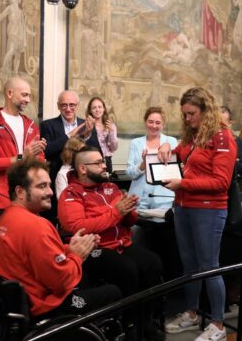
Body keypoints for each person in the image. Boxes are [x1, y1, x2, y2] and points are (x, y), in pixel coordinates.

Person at [0, 157, 121, 319]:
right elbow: (62, 281)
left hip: (19, 303)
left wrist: (69, 249)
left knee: (84, 278)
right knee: (113, 291)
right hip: (43, 308)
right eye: (42, 186)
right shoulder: (35, 226)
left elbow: (41, 256)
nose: (50, 192)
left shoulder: (7, 216)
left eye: (49, 185)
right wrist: (77, 256)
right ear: (20, 192)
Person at [58, 146, 165, 341]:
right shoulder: (71, 193)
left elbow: (129, 222)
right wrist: (116, 212)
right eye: (98, 163)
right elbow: (78, 227)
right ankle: (129, 324)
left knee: (153, 262)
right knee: (127, 269)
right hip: (95, 248)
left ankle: (146, 318)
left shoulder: (111, 187)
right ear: (83, 168)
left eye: (103, 162)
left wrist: (129, 209)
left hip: (122, 243)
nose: (103, 166)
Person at [158, 87, 236, 341]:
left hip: (208, 210)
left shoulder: (222, 137)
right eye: (184, 114)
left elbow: (220, 182)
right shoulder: (193, 135)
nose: (187, 119)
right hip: (183, 207)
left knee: (209, 267)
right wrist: (168, 147)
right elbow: (181, 153)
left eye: (191, 114)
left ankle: (218, 324)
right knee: (189, 266)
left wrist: (184, 184)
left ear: (206, 111)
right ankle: (191, 313)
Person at [0, 77, 45, 223]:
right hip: (1, 198)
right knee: (5, 244)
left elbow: (40, 161)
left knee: (28, 243)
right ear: (9, 94)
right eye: (24, 95)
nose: (28, 100)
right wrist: (21, 157)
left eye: (29, 96)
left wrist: (38, 158)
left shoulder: (31, 125)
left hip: (29, 197)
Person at [40, 90, 101, 222]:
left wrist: (88, 135)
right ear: (58, 106)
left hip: (83, 183)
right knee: (58, 220)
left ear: (77, 106)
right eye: (64, 105)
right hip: (57, 179)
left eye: (72, 105)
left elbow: (97, 153)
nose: (68, 109)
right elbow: (46, 151)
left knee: (80, 219)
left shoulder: (87, 124)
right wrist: (70, 135)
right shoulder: (48, 125)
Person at [126, 107, 178, 209]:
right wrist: (143, 164)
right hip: (138, 198)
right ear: (145, 122)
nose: (154, 126)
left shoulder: (171, 142)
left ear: (163, 125)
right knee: (136, 225)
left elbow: (175, 172)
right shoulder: (135, 143)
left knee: (161, 224)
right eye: (150, 122)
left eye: (158, 123)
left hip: (163, 197)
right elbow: (129, 173)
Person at [86, 96, 119, 174]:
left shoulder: (111, 125)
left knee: (106, 185)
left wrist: (111, 131)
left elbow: (113, 148)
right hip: (91, 161)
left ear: (104, 109)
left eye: (100, 107)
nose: (97, 110)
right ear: (90, 111)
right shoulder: (87, 125)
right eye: (94, 108)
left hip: (106, 161)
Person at [220, 106, 242, 180]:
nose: (219, 127)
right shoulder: (206, 140)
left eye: (222, 124)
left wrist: (231, 161)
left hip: (231, 185)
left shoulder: (237, 141)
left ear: (230, 123)